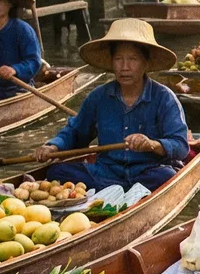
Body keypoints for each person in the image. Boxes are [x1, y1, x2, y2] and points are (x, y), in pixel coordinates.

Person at [35, 19, 189, 189]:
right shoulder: (98, 96)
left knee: (167, 176)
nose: (124, 67)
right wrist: (53, 146)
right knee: (56, 172)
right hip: (106, 173)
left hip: (147, 172)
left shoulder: (164, 98)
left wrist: (151, 145)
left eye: (133, 59)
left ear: (145, 63)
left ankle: (121, 193)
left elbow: (181, 147)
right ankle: (121, 192)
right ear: (111, 62)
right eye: (118, 59)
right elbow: (76, 132)